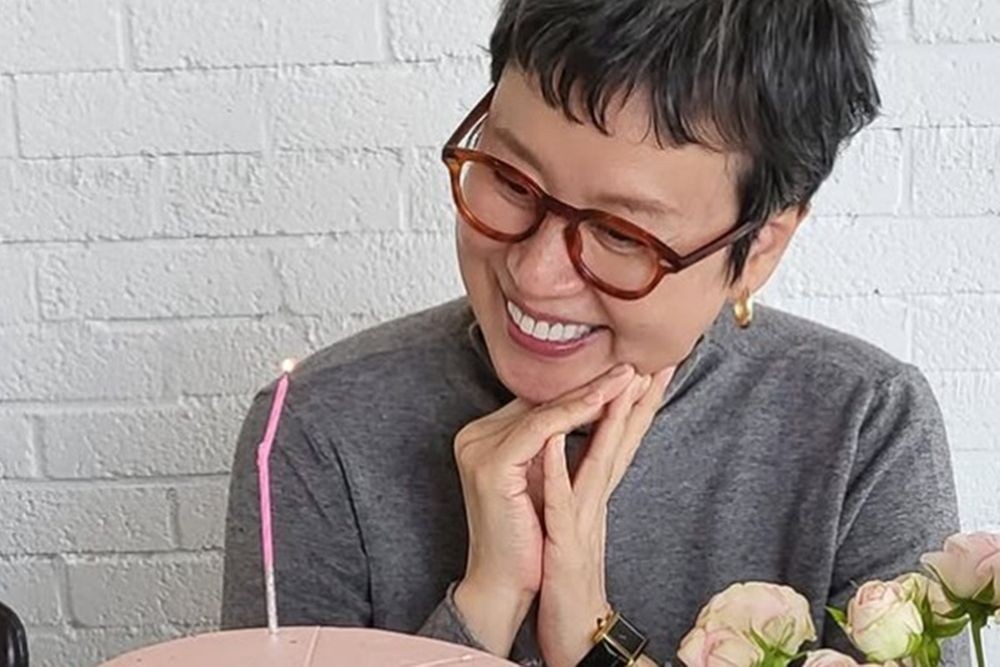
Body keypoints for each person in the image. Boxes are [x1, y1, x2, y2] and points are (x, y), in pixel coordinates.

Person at [221, 1, 963, 665]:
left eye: (620, 234)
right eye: (512, 181)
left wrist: (589, 639)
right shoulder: (319, 427)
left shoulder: (861, 429)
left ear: (760, 248)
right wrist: (482, 606)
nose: (536, 273)